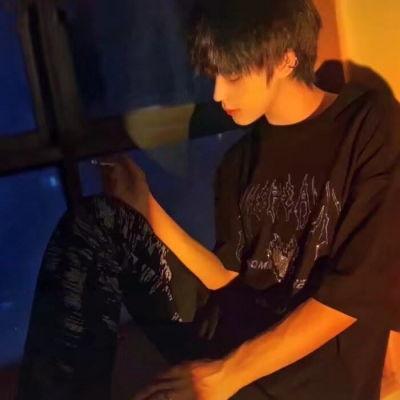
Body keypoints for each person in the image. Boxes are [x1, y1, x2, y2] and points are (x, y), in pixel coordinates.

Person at [17, 0, 400, 399]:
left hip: (308, 378)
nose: (218, 93)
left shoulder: (370, 124)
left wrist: (225, 375)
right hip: (233, 343)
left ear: (286, 60)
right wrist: (146, 207)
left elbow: (361, 288)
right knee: (99, 222)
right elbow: (228, 277)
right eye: (214, 74)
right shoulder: (239, 161)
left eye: (232, 74)